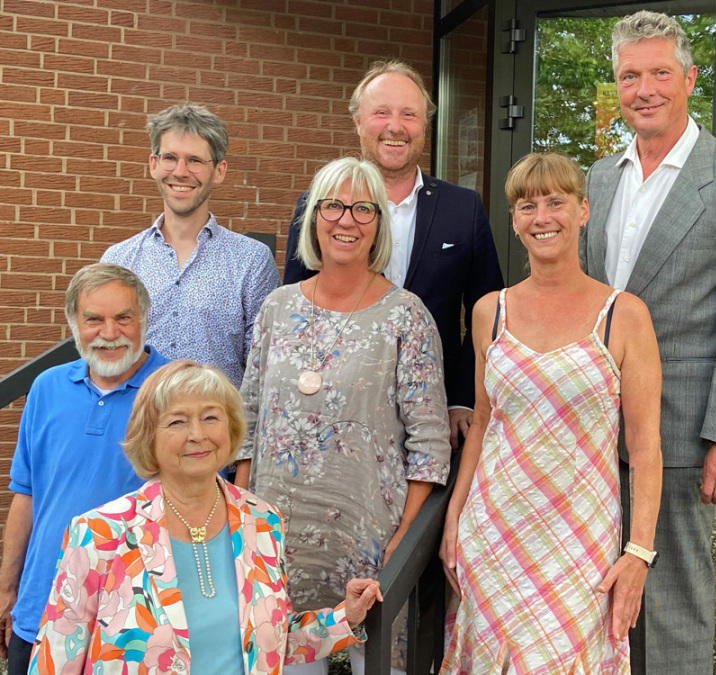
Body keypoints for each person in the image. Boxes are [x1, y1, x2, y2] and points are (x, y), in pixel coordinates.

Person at [583, 11, 716, 674]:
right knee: (596, 596)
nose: (644, 89)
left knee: (671, 605)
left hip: (682, 431)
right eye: (629, 76)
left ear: (691, 79)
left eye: (659, 73)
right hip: (592, 431)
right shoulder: (600, 178)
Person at [440, 153, 663, 673]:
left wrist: (638, 553)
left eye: (556, 202)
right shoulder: (489, 312)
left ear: (583, 211)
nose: (542, 217)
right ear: (515, 221)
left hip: (581, 540)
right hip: (494, 534)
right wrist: (454, 516)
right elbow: (483, 424)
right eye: (527, 206)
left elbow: (645, 447)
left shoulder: (624, 315)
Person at [237, 156, 452, 675]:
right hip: (276, 539)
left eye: (363, 209)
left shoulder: (406, 315)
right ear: (314, 218)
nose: (346, 220)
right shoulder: (276, 308)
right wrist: (240, 521)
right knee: (283, 657)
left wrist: (403, 540)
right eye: (332, 206)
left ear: (378, 224)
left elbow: (429, 442)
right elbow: (247, 418)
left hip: (369, 541)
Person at [28, 360, 383, 674]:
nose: (197, 435)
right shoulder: (99, 532)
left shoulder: (263, 521)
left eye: (211, 417)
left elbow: (270, 641)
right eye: (177, 422)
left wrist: (345, 617)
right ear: (148, 437)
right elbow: (57, 657)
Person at [283, 60, 504, 449]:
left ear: (425, 126)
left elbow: (488, 313)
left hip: (434, 420)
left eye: (409, 115)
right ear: (357, 121)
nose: (395, 127)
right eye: (381, 113)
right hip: (333, 413)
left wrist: (462, 400)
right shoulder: (319, 207)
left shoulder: (463, 209)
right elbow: (297, 312)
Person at [0, 263, 168, 675]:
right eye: (94, 319)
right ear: (74, 323)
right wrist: (7, 589)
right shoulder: (47, 387)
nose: (109, 333)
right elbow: (27, 495)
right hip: (41, 609)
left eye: (124, 318)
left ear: (144, 319)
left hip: (132, 621)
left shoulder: (174, 390)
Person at [101, 103, 279, 388]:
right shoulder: (119, 260)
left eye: (195, 160)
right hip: (135, 416)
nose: (181, 172)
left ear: (219, 171)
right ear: (153, 165)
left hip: (216, 416)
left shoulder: (251, 261)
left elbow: (262, 372)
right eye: (170, 158)